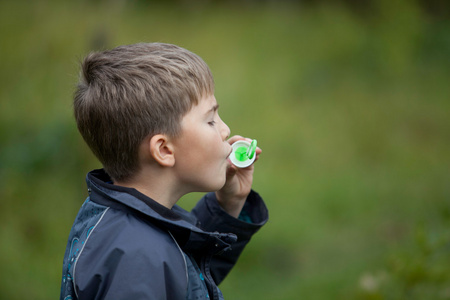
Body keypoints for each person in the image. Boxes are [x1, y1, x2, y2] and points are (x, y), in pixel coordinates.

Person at [60, 42, 268, 300]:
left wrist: (229, 203)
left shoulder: (131, 225)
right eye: (211, 120)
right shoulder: (136, 260)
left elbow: (188, 279)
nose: (225, 130)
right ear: (164, 150)